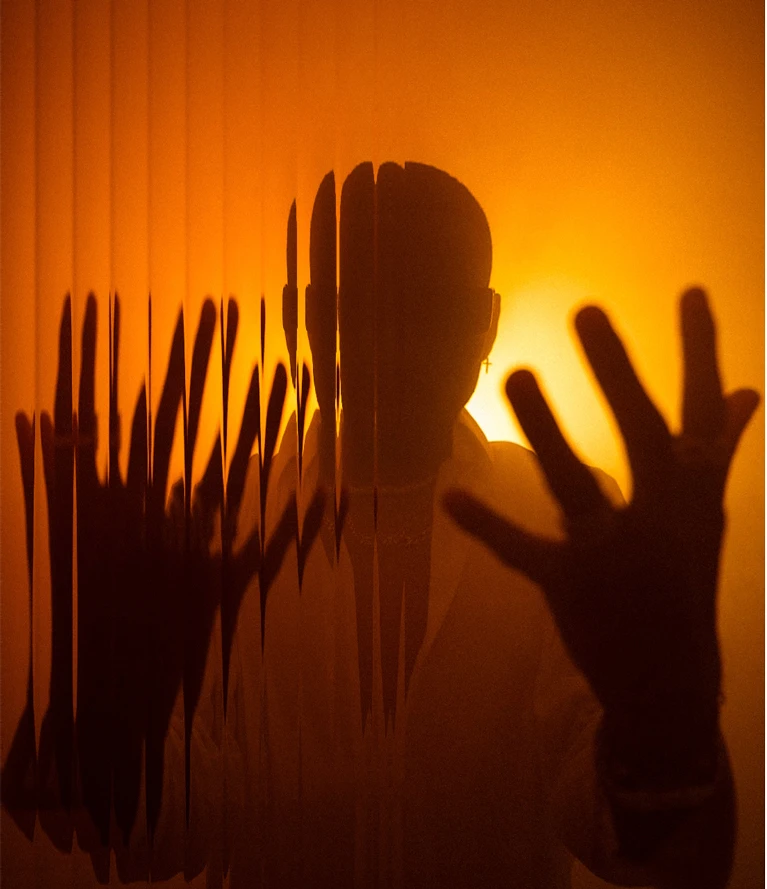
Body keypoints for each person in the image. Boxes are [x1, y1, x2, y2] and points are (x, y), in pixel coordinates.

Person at [244, 160, 758, 888]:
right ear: (306, 315)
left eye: (431, 306)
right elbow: (158, 820)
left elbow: (638, 848)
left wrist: (667, 716)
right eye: (364, 302)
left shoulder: (561, 519)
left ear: (485, 323)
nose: (397, 341)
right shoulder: (236, 513)